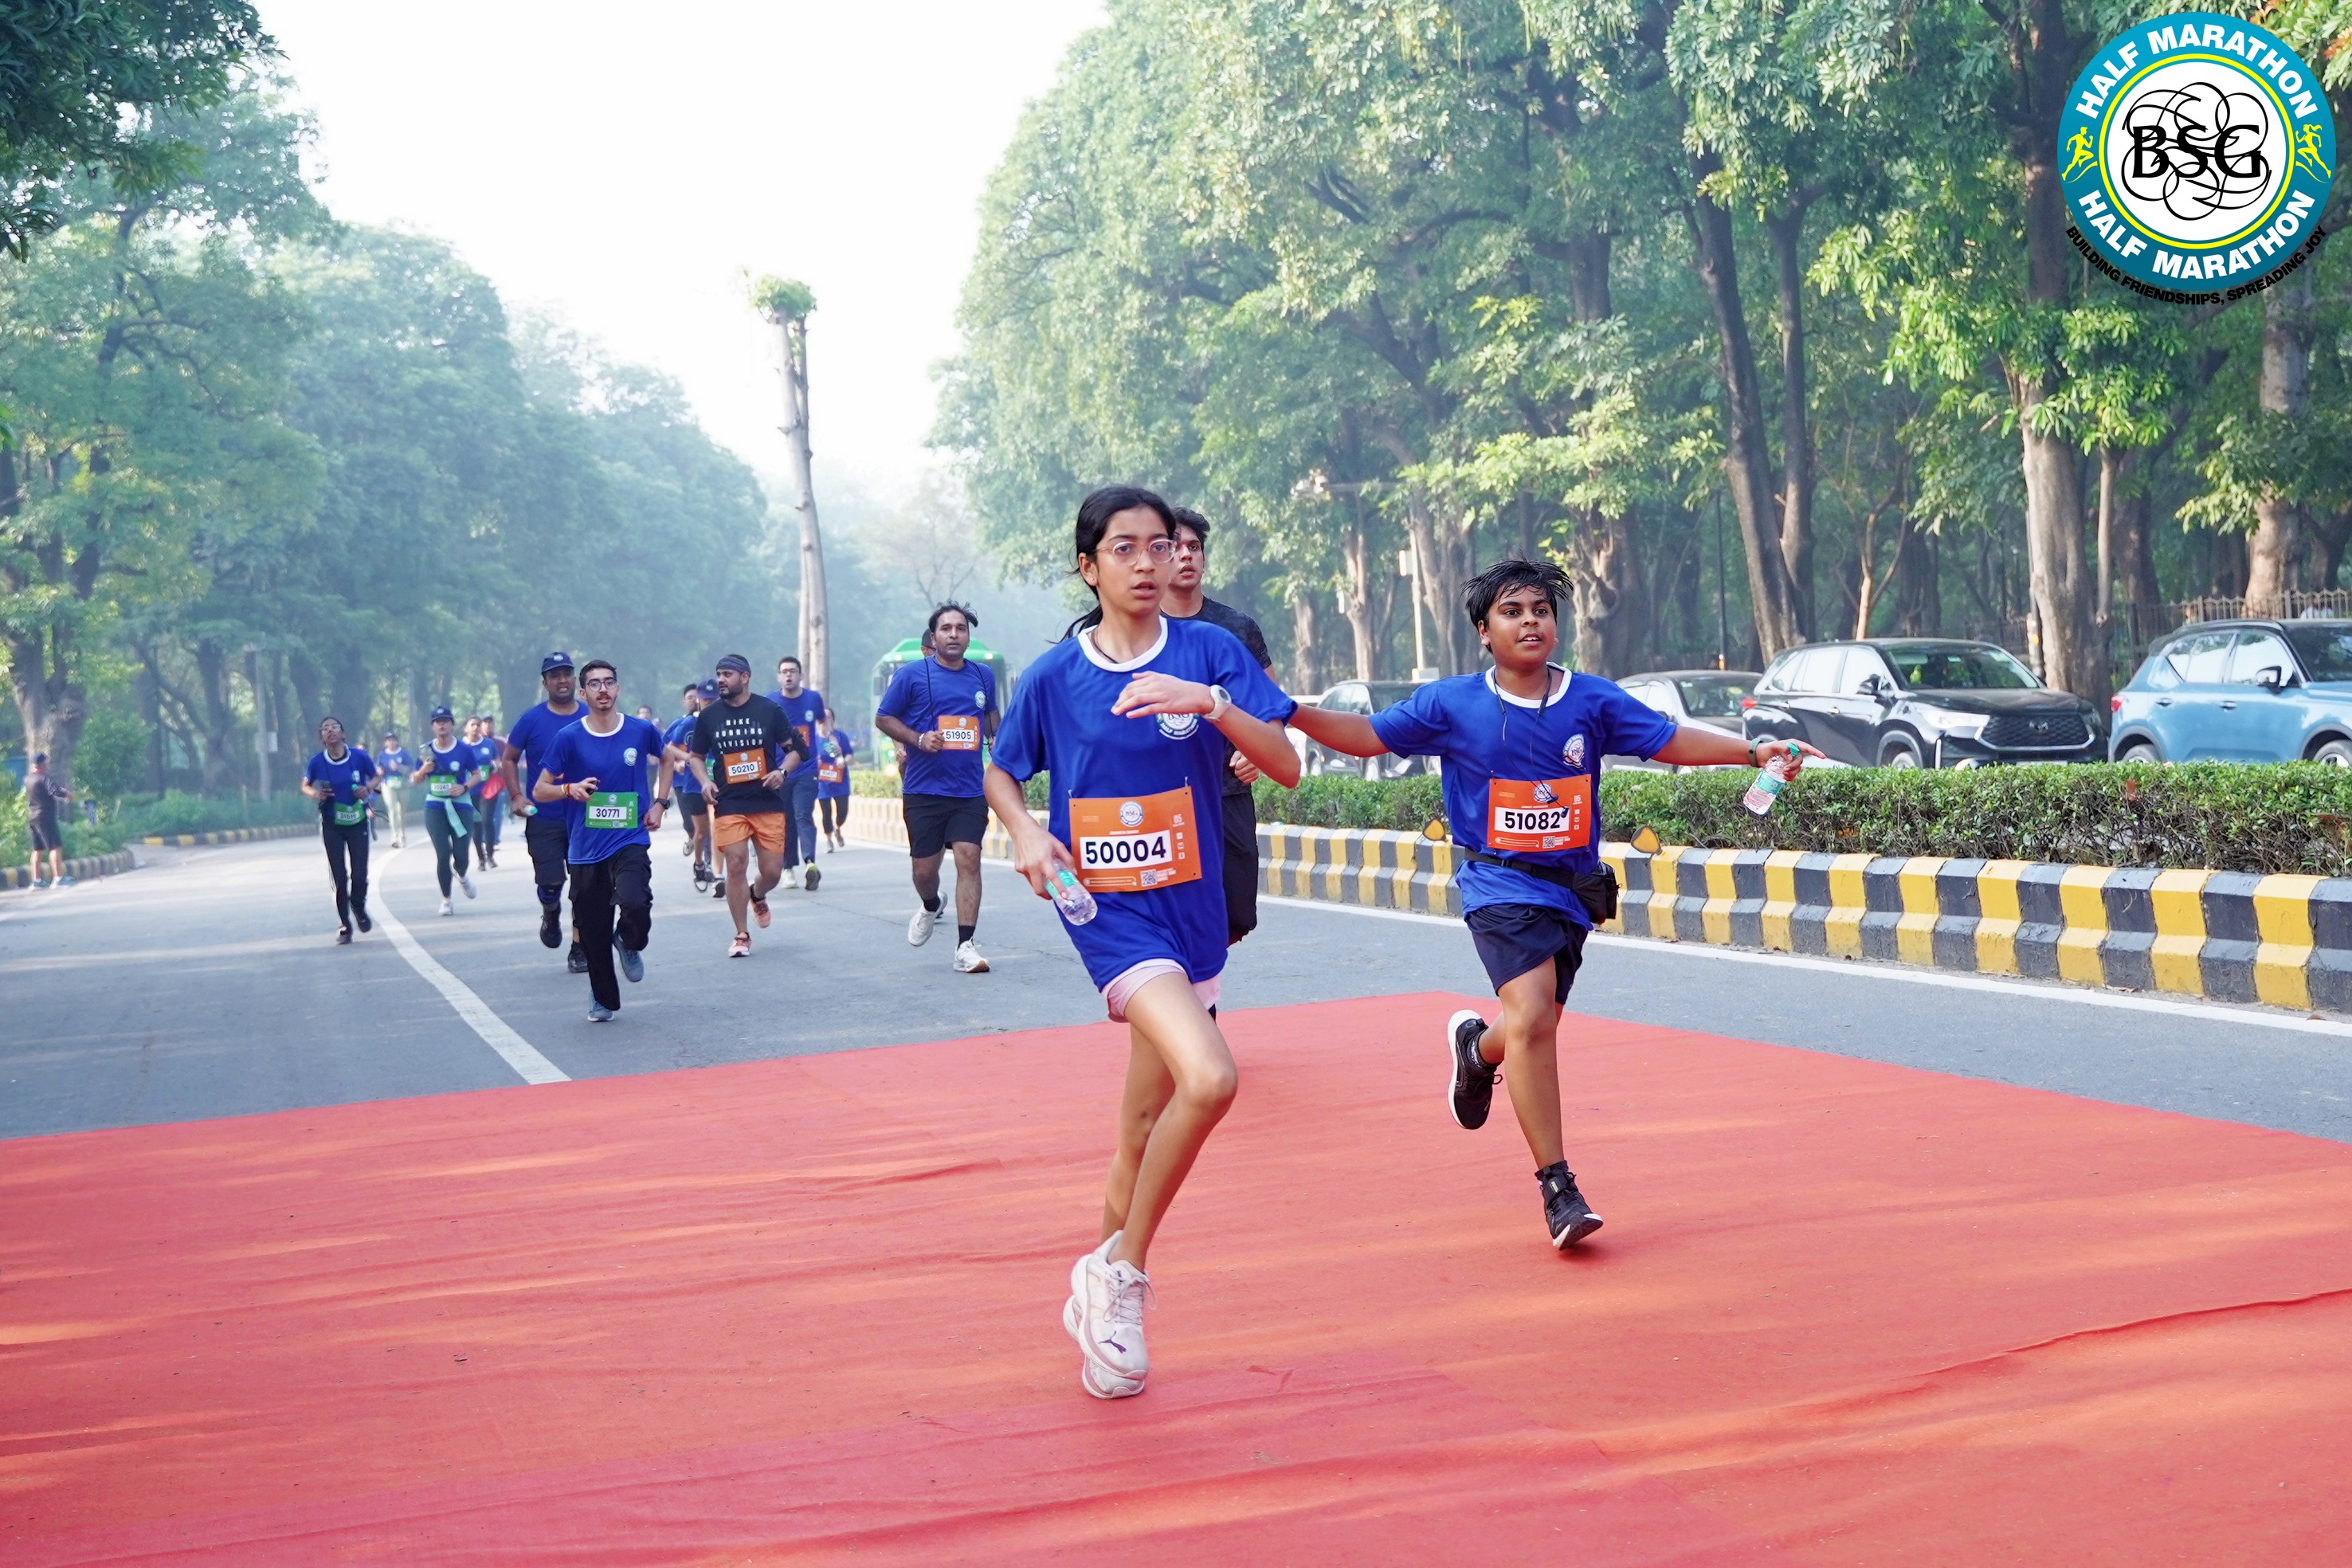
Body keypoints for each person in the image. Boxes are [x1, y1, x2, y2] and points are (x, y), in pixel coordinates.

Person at [1289, 559, 1825, 1251]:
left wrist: (1753, 752)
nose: (1530, 622)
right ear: (1484, 632)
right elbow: (1366, 735)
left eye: (1541, 610)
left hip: (1571, 889)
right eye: (1512, 612)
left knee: (1530, 1025)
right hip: (1496, 882)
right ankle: (1558, 1188)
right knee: (1535, 1015)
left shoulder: (1591, 700)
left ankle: (1477, 1051)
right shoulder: (1451, 704)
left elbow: (1669, 741)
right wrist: (1288, 710)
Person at [984, 485, 1301, 1401]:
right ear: (1089, 567)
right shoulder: (1057, 674)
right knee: (1212, 1078)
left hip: (1193, 909)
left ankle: (1098, 1309)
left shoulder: (1211, 652)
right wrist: (1025, 831)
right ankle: (1124, 1272)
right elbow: (1002, 770)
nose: (1149, 563)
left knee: (1137, 1127)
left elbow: (1285, 765)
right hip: (1106, 909)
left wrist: (1214, 706)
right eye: (1124, 549)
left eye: (1160, 546)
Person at [535, 660, 673, 1021]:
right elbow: (541, 789)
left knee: (636, 901)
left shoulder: (640, 730)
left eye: (609, 682)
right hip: (585, 848)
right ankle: (603, 998)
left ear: (618, 689)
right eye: (594, 684)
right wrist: (569, 788)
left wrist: (660, 803)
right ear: (583, 693)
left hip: (629, 837)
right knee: (593, 930)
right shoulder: (569, 738)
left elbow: (668, 759)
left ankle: (628, 940)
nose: (603, 690)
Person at [1165, 506, 1278, 947]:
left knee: (1234, 917)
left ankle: (1197, 981)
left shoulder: (1237, 628)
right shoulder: (1135, 629)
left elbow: (1271, 709)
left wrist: (1257, 750)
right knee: (1172, 918)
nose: (1186, 556)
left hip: (1227, 791)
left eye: (1194, 547)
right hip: (1161, 796)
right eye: (1174, 547)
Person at [876, 602, 1000, 974]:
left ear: (968, 636)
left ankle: (966, 946)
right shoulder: (911, 675)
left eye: (961, 628)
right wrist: (918, 739)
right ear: (934, 636)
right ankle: (931, 903)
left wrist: (998, 738)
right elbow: (884, 717)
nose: (954, 634)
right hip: (924, 790)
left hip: (969, 790)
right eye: (946, 629)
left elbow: (990, 715)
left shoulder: (983, 676)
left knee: (969, 856)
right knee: (924, 872)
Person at [689, 653, 805, 958]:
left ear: (745, 677)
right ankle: (741, 934)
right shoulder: (709, 716)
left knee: (773, 872)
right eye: (719, 674)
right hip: (729, 802)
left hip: (767, 801)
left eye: (727, 674)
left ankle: (758, 893)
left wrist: (782, 772)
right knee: (736, 863)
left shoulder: (769, 710)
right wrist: (705, 781)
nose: (721, 680)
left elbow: (796, 751)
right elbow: (696, 757)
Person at [503, 653, 590, 973]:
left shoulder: (592, 715)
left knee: (584, 887)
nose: (562, 680)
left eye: (567, 674)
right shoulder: (531, 720)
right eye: (555, 676)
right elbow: (509, 758)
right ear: (545, 683)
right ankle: (550, 913)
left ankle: (579, 947)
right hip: (545, 816)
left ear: (575, 679)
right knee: (551, 883)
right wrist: (516, 795)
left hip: (586, 818)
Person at [300, 716, 378, 943]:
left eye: (335, 727)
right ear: (322, 737)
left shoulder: (359, 757)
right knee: (339, 877)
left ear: (343, 734)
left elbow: (376, 776)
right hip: (332, 822)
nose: (330, 731)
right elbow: (305, 785)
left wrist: (367, 788)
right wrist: (316, 794)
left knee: (360, 874)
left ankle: (358, 906)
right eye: (325, 728)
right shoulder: (317, 762)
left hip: (358, 821)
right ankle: (345, 925)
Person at [410, 706, 481, 915]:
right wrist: (424, 770)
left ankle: (462, 875)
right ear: (432, 726)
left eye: (445, 721)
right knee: (443, 853)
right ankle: (446, 899)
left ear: (452, 725)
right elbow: (415, 779)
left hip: (461, 806)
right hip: (435, 806)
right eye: (437, 722)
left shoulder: (463, 749)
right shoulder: (426, 750)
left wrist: (464, 787)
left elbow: (477, 774)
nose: (442, 725)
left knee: (461, 853)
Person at [768, 655, 828, 891]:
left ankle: (810, 862)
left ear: (801, 675)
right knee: (786, 821)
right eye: (784, 672)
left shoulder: (813, 699)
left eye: (793, 671)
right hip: (780, 771)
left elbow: (823, 722)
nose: (789, 675)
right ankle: (788, 868)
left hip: (807, 768)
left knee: (803, 814)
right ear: (779, 677)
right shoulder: (770, 703)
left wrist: (825, 743)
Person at [664, 680, 715, 892]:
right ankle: (699, 863)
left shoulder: (725, 722)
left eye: (713, 700)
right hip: (693, 785)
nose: (708, 704)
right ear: (698, 701)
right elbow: (669, 747)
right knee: (701, 832)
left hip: (719, 785)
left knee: (718, 829)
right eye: (705, 700)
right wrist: (689, 758)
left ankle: (716, 870)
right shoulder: (688, 724)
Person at [21, 752, 71, 888]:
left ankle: (36, 881)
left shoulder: (27, 779)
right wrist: (68, 794)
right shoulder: (44, 778)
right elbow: (55, 791)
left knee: (37, 849)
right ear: (43, 763)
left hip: (32, 816)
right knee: (55, 847)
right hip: (45, 816)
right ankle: (58, 878)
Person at [815, 707, 853, 850]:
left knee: (842, 811)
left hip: (840, 780)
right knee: (826, 812)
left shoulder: (840, 737)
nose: (825, 720)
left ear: (833, 720)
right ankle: (829, 839)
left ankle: (838, 828)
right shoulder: (814, 739)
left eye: (828, 717)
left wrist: (844, 761)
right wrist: (815, 763)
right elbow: (806, 757)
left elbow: (849, 753)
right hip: (823, 781)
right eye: (822, 717)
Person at [475, 714, 507, 869]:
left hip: (491, 788)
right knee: (476, 823)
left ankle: (490, 854)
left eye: (490, 722)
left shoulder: (497, 743)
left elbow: (504, 762)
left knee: (489, 819)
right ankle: (480, 859)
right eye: (484, 723)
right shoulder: (464, 746)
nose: (487, 725)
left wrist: (496, 767)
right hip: (471, 789)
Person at [375, 731, 414, 848]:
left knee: (401, 811)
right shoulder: (382, 755)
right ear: (385, 743)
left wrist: (399, 767)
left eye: (393, 740)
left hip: (403, 785)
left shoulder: (403, 753)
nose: (391, 743)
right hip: (388, 785)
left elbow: (411, 769)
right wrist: (379, 771)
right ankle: (394, 836)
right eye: (388, 740)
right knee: (392, 810)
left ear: (397, 742)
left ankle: (402, 834)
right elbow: (378, 768)